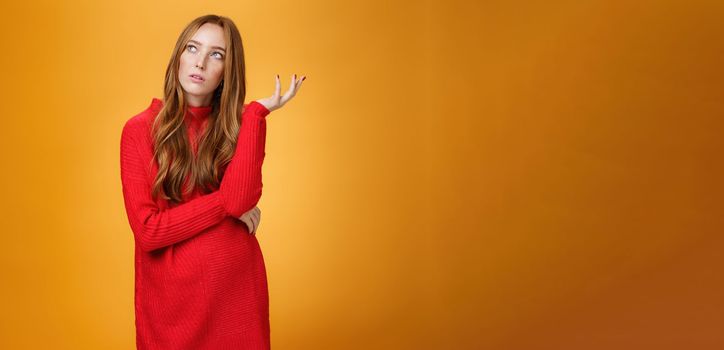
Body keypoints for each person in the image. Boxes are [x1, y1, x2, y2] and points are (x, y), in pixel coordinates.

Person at [119, 14, 305, 349]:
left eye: (216, 54)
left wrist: (255, 114)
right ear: (178, 55)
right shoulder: (139, 130)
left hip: (236, 298)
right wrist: (221, 205)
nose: (200, 62)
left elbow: (240, 199)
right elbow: (149, 231)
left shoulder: (236, 128)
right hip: (173, 308)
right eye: (192, 48)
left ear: (227, 73)